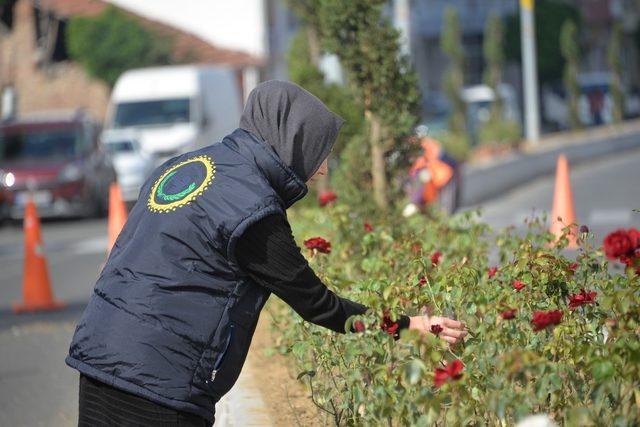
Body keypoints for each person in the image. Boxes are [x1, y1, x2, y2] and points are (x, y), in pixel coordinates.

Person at [65, 81, 467, 426]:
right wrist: (404, 325)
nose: (323, 168)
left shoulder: (183, 166)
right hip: (158, 381)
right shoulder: (251, 209)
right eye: (319, 151)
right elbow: (318, 305)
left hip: (100, 356)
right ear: (291, 139)